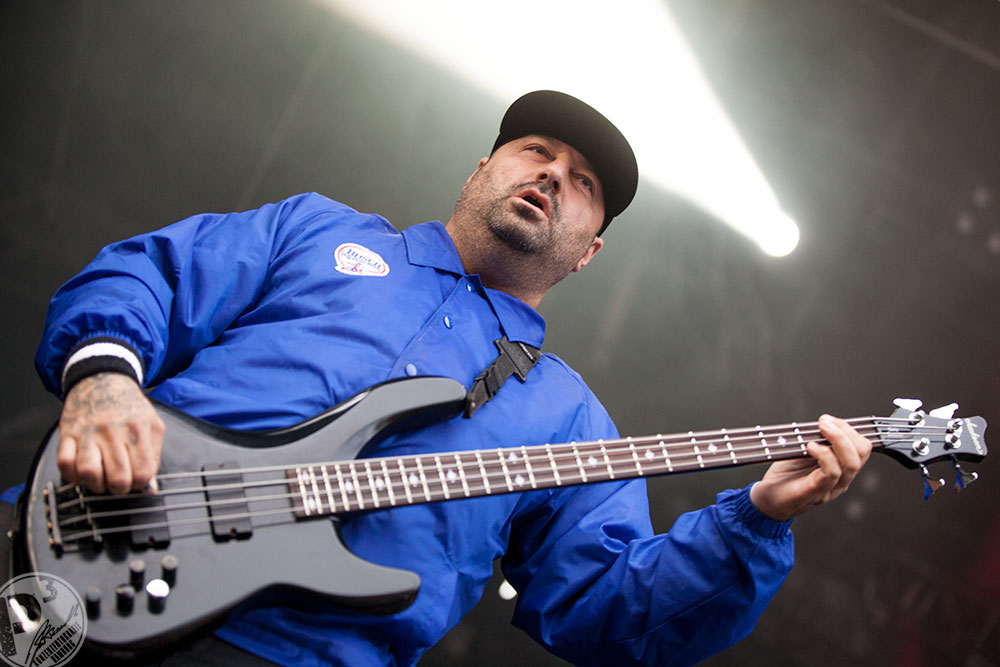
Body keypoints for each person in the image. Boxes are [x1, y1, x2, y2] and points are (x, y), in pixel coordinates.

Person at [6, 91, 871, 666]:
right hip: (68, 545)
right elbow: (150, 276)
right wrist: (103, 377)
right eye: (535, 150)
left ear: (589, 252)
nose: (553, 175)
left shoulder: (570, 418)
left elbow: (611, 611)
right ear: (479, 171)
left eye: (583, 184)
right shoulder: (317, 232)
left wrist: (754, 521)